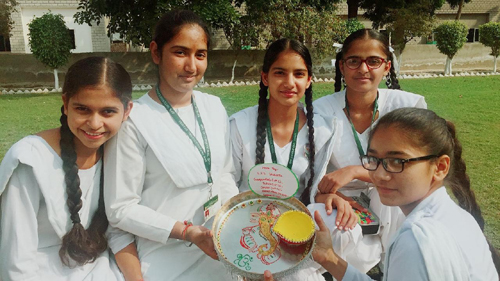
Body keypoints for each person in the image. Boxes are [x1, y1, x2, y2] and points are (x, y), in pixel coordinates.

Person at [268, 108, 500, 281]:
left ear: (439, 167)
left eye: (396, 161)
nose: (379, 174)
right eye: (375, 160)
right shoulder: (457, 217)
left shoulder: (417, 240)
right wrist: (329, 257)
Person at [103, 10, 239, 281]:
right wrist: (186, 231)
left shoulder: (213, 107)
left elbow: (224, 174)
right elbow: (120, 209)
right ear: (156, 52)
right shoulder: (135, 120)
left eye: (200, 54)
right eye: (180, 52)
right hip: (166, 255)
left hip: (221, 248)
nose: (192, 66)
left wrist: (237, 221)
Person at [230, 38, 357, 281]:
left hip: (296, 227)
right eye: (280, 73)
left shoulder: (322, 129)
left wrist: (329, 197)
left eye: (299, 74)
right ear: (265, 78)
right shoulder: (240, 124)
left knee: (344, 228)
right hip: (248, 223)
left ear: (309, 80)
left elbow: (311, 191)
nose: (290, 83)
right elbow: (230, 185)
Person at [0, 56, 133, 280]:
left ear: (127, 110)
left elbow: (119, 230)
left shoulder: (119, 152)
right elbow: (16, 261)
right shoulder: (29, 160)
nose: (94, 123)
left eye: (108, 112)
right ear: (65, 103)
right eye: (83, 109)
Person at [310, 28, 427, 273]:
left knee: (393, 199)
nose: (363, 69)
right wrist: (327, 196)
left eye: (373, 61)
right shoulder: (319, 111)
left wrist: (354, 171)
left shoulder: (405, 106)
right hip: (341, 200)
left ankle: (399, 269)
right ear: (342, 67)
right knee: (334, 230)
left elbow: (415, 168)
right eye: (354, 61)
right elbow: (309, 172)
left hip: (389, 195)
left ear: (386, 67)